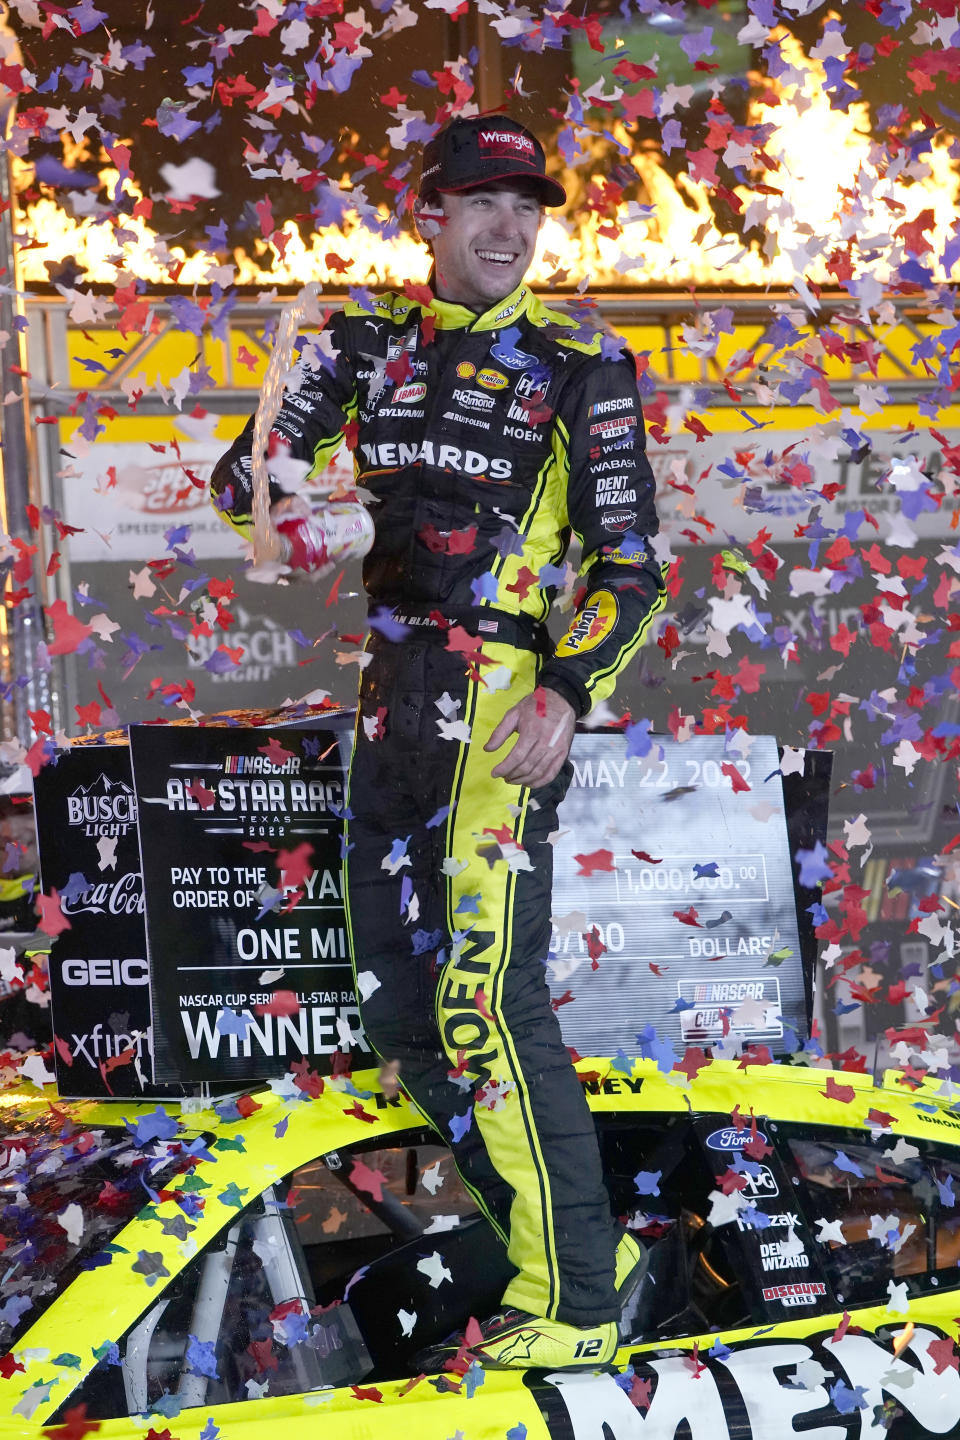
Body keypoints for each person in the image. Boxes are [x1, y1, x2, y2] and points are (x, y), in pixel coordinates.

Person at [210, 114, 667, 1370]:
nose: (509, 227)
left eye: (527, 206)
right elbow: (244, 480)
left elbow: (634, 571)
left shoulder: (581, 366)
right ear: (427, 213)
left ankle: (573, 1303)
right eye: (482, 202)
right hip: (389, 699)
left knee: (488, 1002)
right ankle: (590, 1256)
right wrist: (295, 490)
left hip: (501, 702)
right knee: (402, 1012)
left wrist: (569, 692)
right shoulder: (359, 342)